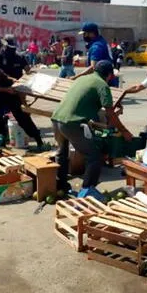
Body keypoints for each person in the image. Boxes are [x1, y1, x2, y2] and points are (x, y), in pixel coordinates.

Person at [52, 60, 133, 193]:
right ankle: (87, 192)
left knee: (62, 153)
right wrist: (124, 131)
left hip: (56, 119)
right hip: (71, 124)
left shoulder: (83, 79)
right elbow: (110, 113)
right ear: (110, 76)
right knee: (94, 157)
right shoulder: (102, 85)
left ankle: (60, 186)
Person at [0, 35, 44, 149]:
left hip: (7, 92)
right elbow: (28, 72)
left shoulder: (2, 57)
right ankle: (38, 140)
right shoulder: (18, 57)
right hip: (10, 92)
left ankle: (1, 144)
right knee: (21, 119)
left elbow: (28, 72)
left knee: (16, 118)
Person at [72, 22, 118, 87]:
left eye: (84, 34)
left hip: (103, 82)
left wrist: (75, 77)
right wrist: (80, 59)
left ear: (91, 34)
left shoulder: (96, 47)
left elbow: (93, 67)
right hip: (106, 78)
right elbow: (96, 59)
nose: (83, 36)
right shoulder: (101, 41)